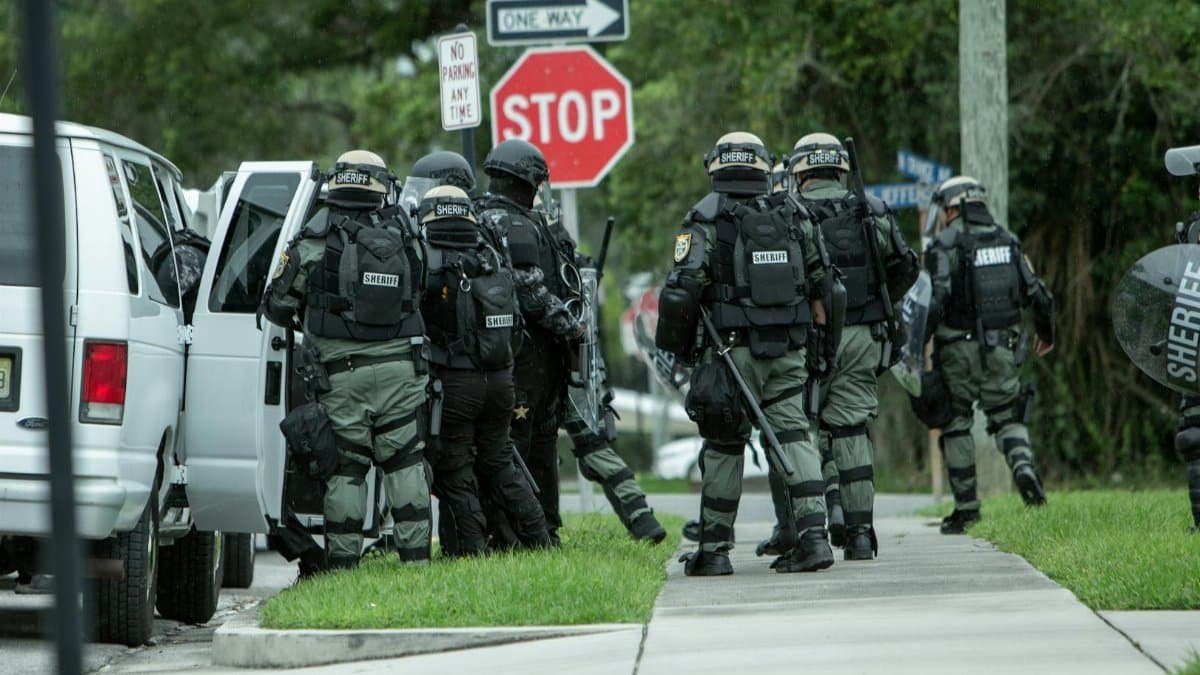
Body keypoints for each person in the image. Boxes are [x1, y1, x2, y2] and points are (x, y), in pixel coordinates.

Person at [657, 131, 834, 575]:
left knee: (723, 445)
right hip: (788, 351)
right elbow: (827, 286)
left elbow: (682, 291)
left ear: (715, 166)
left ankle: (714, 551)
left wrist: (678, 350)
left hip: (730, 355)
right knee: (794, 435)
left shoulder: (703, 218)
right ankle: (815, 540)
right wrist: (820, 348)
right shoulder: (793, 212)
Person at [261, 150, 432, 568]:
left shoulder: (315, 238)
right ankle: (416, 566)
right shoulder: (405, 235)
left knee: (347, 471)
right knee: (406, 462)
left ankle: (342, 569)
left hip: (342, 378)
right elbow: (422, 288)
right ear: (378, 186)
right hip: (402, 372)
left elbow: (276, 304)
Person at [755, 132, 918, 560]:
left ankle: (805, 531)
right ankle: (862, 536)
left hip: (807, 337)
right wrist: (876, 304)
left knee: (796, 429)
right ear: (841, 168)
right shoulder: (873, 211)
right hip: (864, 336)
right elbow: (906, 267)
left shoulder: (786, 213)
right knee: (850, 431)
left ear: (799, 171)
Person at [418, 184, 551, 555]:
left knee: (456, 468)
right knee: (500, 462)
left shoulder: (428, 258)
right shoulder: (491, 254)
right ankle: (540, 540)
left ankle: (473, 551)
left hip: (457, 382)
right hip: (501, 379)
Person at [923, 175, 1055, 534]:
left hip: (957, 353)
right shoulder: (1007, 240)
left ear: (953, 207)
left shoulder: (944, 244)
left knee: (956, 424)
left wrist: (918, 343)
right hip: (1002, 349)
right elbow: (1040, 295)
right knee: (1008, 417)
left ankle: (967, 509)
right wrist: (1047, 333)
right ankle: (1023, 467)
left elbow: (934, 301)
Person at [534, 192, 668, 544]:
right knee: (594, 449)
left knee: (538, 449)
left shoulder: (521, 237)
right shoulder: (563, 244)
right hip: (577, 362)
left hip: (543, 366)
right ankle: (643, 521)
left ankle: (541, 531)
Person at [475, 139, 583, 545]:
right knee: (527, 445)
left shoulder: (481, 216)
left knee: (527, 444)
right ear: (525, 183)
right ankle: (528, 533)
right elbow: (532, 294)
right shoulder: (514, 224)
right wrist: (572, 326)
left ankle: (530, 529)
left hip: (502, 354)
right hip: (527, 356)